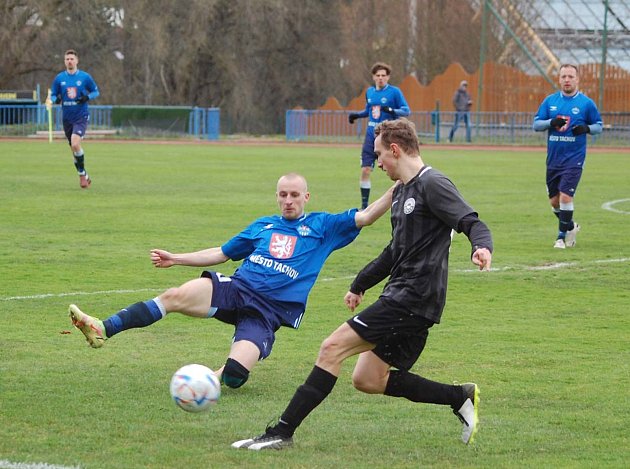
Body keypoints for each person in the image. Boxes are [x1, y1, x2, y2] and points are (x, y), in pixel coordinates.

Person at [232, 118, 493, 451]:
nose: (377, 163)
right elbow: (394, 252)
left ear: (395, 150)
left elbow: (471, 221)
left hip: (414, 298)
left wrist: (481, 246)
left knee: (331, 348)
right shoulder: (401, 193)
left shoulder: (433, 184)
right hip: (405, 296)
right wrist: (359, 284)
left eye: (379, 154)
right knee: (368, 379)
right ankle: (460, 396)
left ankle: (281, 431)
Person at [69, 173, 395, 390]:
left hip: (267, 313)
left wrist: (400, 185)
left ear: (306, 196)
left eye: (295, 195)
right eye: (283, 195)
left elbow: (366, 217)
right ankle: (103, 328)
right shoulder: (263, 225)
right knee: (174, 296)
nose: (288, 200)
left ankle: (214, 378)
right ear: (277, 197)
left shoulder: (325, 225)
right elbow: (223, 253)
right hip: (237, 289)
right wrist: (176, 258)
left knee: (237, 377)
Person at [533, 63, 603, 249]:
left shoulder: (586, 104)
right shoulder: (550, 101)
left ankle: (560, 237)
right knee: (554, 202)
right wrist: (551, 122)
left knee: (565, 197)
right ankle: (571, 226)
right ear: (559, 79)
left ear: (577, 79)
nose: (567, 80)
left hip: (574, 159)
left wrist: (586, 128)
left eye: (570, 76)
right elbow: (536, 124)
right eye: (563, 76)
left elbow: (599, 126)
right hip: (554, 159)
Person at [348, 62, 410, 210]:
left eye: (383, 75)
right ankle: (364, 206)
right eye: (378, 75)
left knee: (398, 171)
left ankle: (405, 200)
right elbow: (369, 111)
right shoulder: (369, 92)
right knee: (365, 170)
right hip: (371, 136)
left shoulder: (394, 92)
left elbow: (406, 110)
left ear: (388, 77)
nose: (380, 78)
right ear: (373, 77)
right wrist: (356, 115)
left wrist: (391, 109)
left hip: (388, 136)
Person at [46, 49, 100, 188]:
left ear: (77, 61)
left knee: (75, 143)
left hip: (81, 116)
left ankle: (81, 175)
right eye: (67, 59)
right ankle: (85, 175)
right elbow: (53, 94)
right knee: (74, 150)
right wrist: (54, 99)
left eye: (71, 59)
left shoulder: (85, 77)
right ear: (64, 61)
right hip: (67, 118)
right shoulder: (59, 78)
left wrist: (87, 97)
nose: (69, 61)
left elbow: (96, 91)